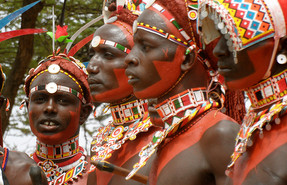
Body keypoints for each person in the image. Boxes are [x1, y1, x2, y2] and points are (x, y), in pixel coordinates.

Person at [124, 0, 240, 184]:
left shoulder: (219, 134)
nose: (129, 58)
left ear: (187, 58)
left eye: (145, 46)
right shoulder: (166, 137)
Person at [198, 0, 287, 184]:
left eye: (233, 37)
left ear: (283, 47)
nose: (218, 50)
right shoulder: (255, 121)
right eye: (220, 36)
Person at [86, 3, 160, 185]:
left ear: (139, 61)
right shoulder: (100, 141)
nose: (92, 67)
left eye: (108, 55)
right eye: (92, 55)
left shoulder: (164, 132)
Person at [23, 53, 92, 185]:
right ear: (28, 107)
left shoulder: (99, 174)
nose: (49, 108)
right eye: (40, 99)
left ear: (84, 112)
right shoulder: (9, 171)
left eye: (62, 100)